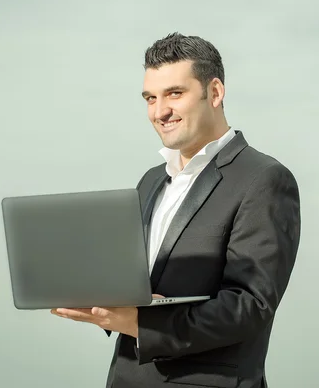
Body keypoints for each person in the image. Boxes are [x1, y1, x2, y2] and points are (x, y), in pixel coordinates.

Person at [51, 32, 301, 388]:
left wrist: (137, 322)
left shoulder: (264, 179)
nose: (159, 111)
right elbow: (140, 289)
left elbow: (250, 306)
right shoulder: (151, 180)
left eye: (174, 94)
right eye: (150, 98)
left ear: (215, 93)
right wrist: (102, 303)